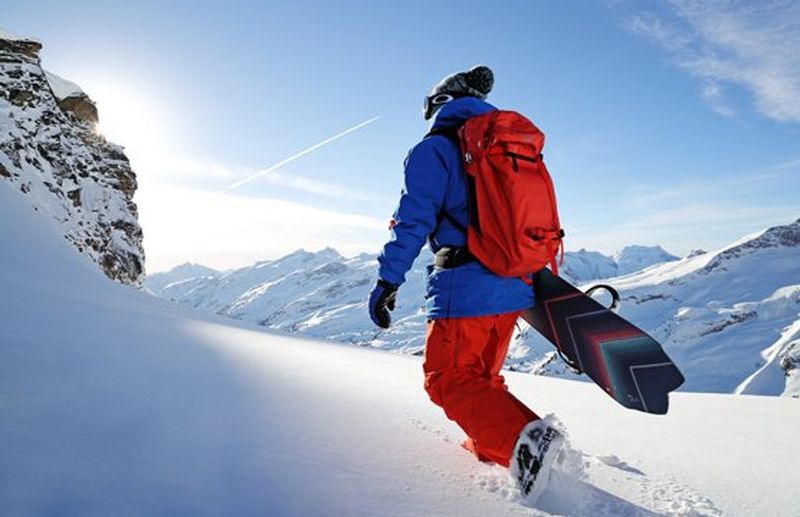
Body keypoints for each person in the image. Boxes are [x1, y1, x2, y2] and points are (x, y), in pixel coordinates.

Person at [368, 65, 563, 502]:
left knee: (447, 378)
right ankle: (496, 445)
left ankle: (526, 444)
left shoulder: (435, 149)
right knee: (482, 379)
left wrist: (388, 279)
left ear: (439, 103)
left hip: (466, 283)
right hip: (514, 282)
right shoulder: (505, 147)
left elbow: (413, 221)